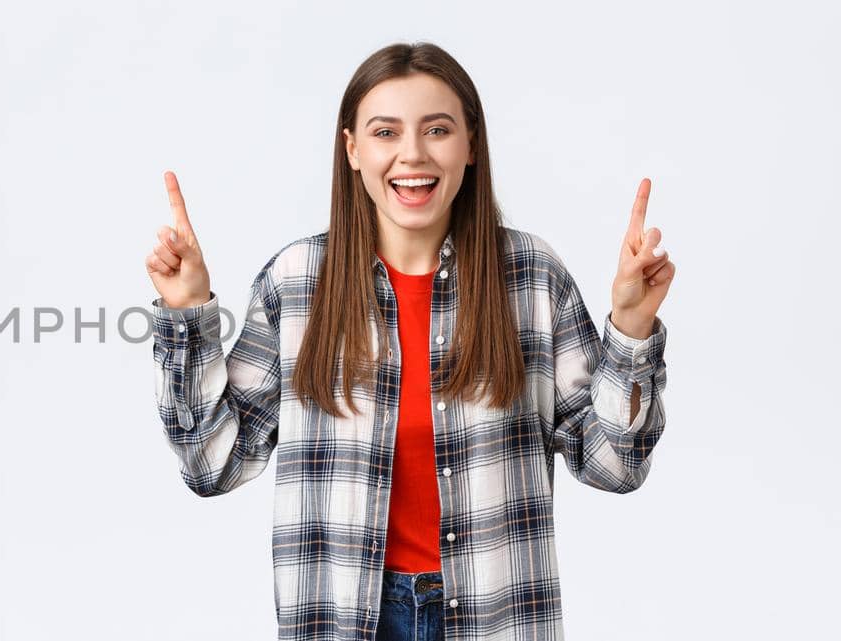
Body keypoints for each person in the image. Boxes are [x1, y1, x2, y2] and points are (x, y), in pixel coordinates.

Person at [142, 42, 674, 641]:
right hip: (344, 619)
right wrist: (186, 314)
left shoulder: (531, 278)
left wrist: (630, 328)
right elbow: (212, 464)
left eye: (437, 129)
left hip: (494, 616)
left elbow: (615, 466)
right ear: (352, 150)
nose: (412, 154)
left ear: (471, 145)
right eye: (386, 132)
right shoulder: (296, 285)